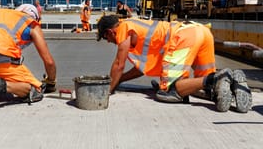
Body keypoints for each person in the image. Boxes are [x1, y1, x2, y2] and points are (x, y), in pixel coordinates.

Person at [96, 15, 252, 113]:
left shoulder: (123, 28)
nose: (109, 42)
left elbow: (118, 64)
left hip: (184, 36)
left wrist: (107, 90)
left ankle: (218, 78)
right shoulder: (136, 26)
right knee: (207, 90)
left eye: (106, 38)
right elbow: (141, 69)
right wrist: (120, 80)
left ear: (110, 32)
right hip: (201, 31)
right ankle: (232, 82)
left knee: (170, 92)